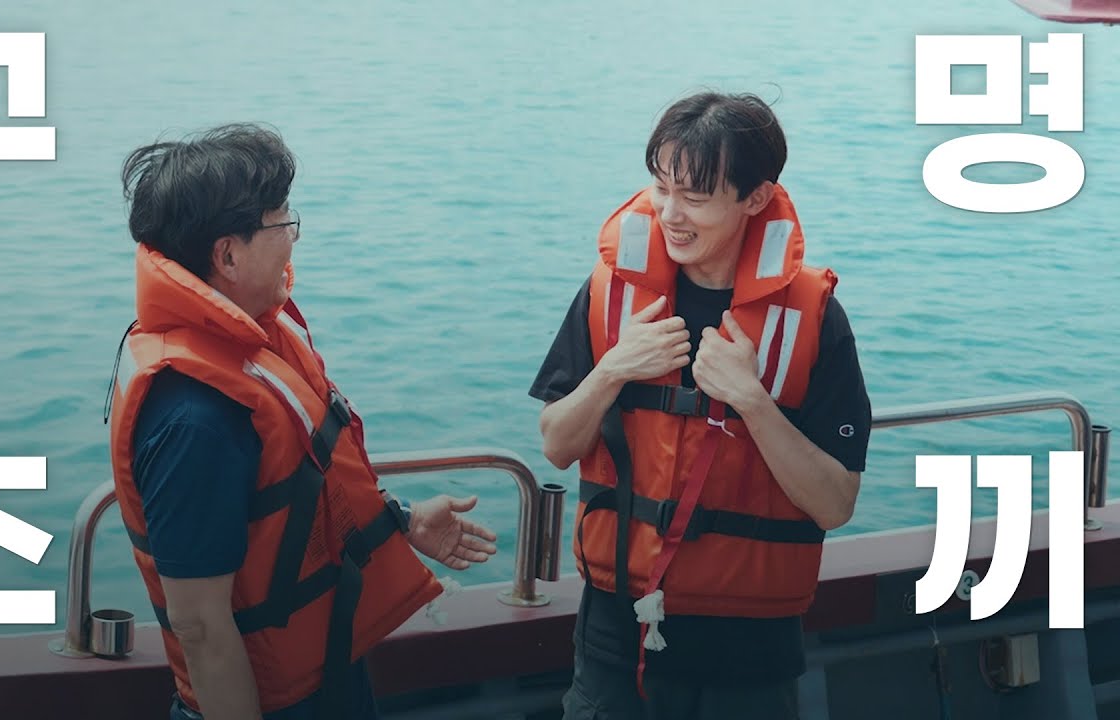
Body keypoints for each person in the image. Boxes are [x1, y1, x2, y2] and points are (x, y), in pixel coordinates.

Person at [105, 123, 499, 720]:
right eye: (282, 222)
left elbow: (293, 504)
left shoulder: (247, 346)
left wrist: (400, 521)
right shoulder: (194, 415)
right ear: (227, 255)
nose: (293, 237)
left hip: (326, 677)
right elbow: (200, 624)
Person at [530, 92, 872, 719]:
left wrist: (752, 401)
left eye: (694, 196)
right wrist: (613, 370)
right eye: (661, 188)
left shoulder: (813, 318)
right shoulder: (612, 295)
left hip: (750, 657)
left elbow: (835, 502)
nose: (670, 214)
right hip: (613, 640)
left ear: (756, 198)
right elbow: (556, 443)